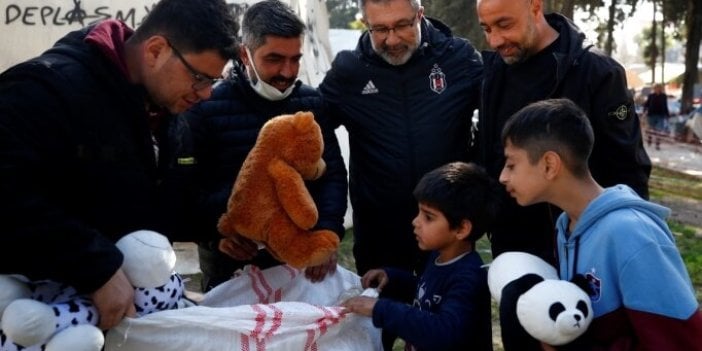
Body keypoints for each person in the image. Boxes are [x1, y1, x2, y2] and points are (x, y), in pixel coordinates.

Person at [0, 0, 238, 330]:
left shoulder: (168, 111)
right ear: (156, 50)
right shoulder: (44, 89)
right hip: (33, 318)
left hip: (122, 319)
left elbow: (163, 206)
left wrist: (222, 221)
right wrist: (96, 267)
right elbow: (10, 197)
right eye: (199, 78)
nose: (207, 94)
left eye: (214, 80)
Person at [499, 98, 702, 350]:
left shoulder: (631, 233)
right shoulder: (567, 226)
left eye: (511, 164)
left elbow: (680, 342)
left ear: (550, 165)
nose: (503, 176)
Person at [184, 0, 348, 292]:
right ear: (244, 54)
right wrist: (214, 234)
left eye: (295, 59)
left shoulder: (311, 105)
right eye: (274, 59)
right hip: (230, 267)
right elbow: (187, 188)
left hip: (301, 266)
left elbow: (331, 174)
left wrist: (327, 230)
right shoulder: (206, 110)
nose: (287, 71)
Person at [475, 0, 651, 266]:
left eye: (504, 24)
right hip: (512, 249)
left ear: (535, 7)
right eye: (486, 28)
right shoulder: (493, 71)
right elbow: (489, 153)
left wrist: (631, 246)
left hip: (583, 248)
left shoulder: (597, 72)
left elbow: (628, 170)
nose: (495, 39)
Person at [319, 0, 482, 280]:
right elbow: (311, 134)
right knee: (386, 319)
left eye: (402, 26)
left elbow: (499, 120)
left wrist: (477, 188)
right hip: (380, 236)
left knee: (454, 318)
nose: (391, 39)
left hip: (447, 231)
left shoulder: (459, 58)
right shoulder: (349, 71)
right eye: (379, 29)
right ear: (364, 22)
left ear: (420, 15)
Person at [342, 161, 498, 351]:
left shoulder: (469, 278)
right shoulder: (439, 256)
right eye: (419, 212)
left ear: (462, 229)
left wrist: (379, 309)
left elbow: (443, 332)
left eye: (428, 217)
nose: (416, 222)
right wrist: (393, 277)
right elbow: (430, 293)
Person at [642, 83, 670, 150]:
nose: (657, 89)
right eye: (655, 88)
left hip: (660, 115)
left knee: (659, 130)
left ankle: (657, 144)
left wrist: (667, 115)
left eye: (658, 88)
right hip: (651, 114)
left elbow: (665, 105)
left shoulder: (664, 96)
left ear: (661, 89)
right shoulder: (651, 95)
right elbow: (647, 104)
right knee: (651, 129)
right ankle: (649, 139)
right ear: (654, 89)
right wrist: (644, 111)